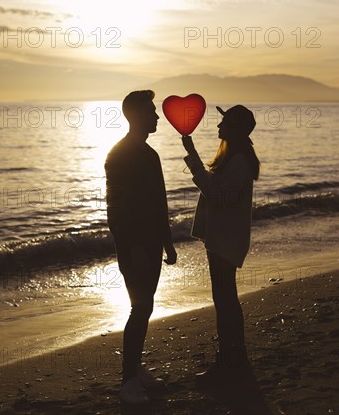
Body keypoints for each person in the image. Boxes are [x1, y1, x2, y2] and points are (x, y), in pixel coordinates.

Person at [105, 90, 177, 405]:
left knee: (145, 307)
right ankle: (128, 382)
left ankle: (135, 368)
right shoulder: (118, 155)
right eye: (151, 111)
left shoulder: (150, 154)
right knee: (139, 308)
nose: (157, 116)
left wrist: (168, 242)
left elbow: (160, 202)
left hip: (151, 244)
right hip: (134, 246)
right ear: (136, 115)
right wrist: (131, 248)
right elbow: (116, 210)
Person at [181, 104, 259, 385]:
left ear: (236, 128)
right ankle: (231, 359)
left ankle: (231, 361)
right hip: (224, 237)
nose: (218, 126)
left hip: (226, 239)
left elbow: (216, 196)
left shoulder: (239, 161)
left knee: (225, 299)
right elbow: (217, 191)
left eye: (223, 122)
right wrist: (193, 154)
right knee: (225, 298)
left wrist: (192, 158)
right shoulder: (234, 157)